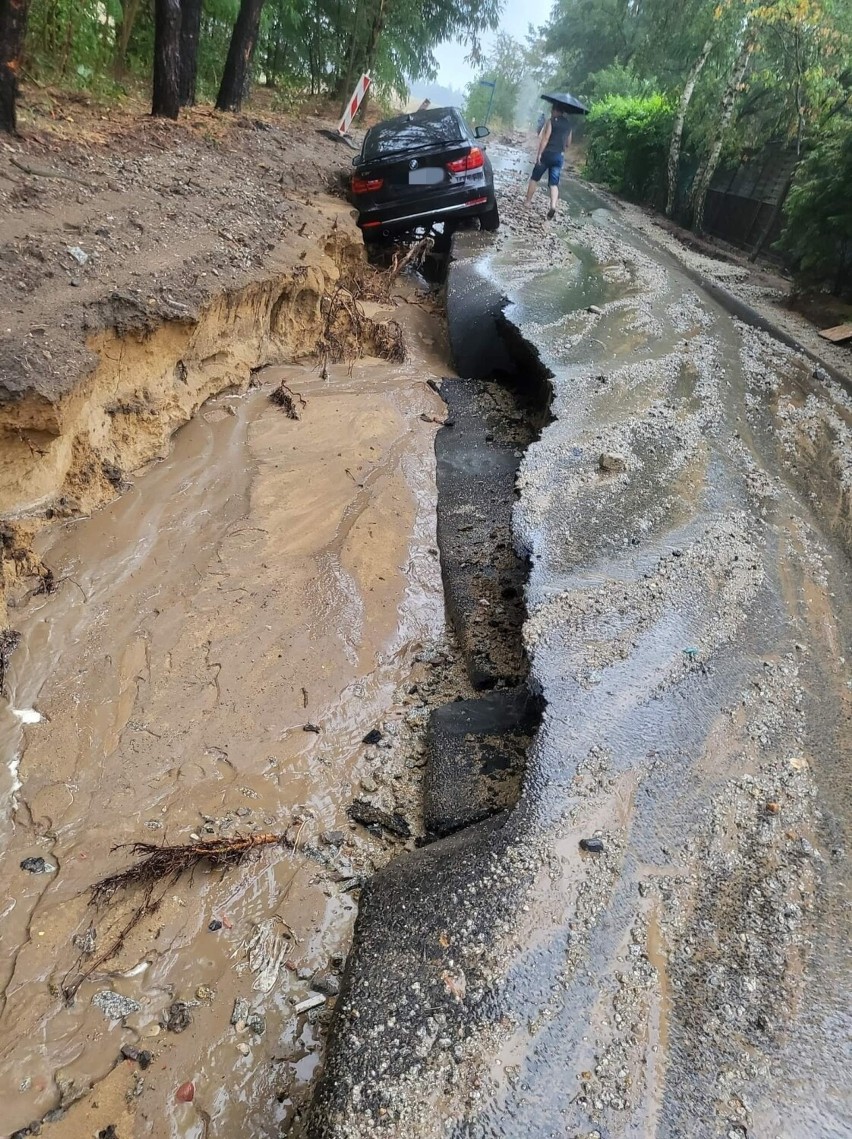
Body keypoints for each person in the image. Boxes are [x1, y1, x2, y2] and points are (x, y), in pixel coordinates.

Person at [525, 105, 572, 219]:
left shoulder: (551, 121)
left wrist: (539, 154)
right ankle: (553, 205)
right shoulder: (568, 125)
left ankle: (528, 202)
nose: (551, 112)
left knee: (534, 178)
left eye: (552, 110)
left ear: (556, 111)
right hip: (558, 156)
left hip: (547, 154)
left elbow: (545, 138)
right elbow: (568, 143)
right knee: (554, 183)